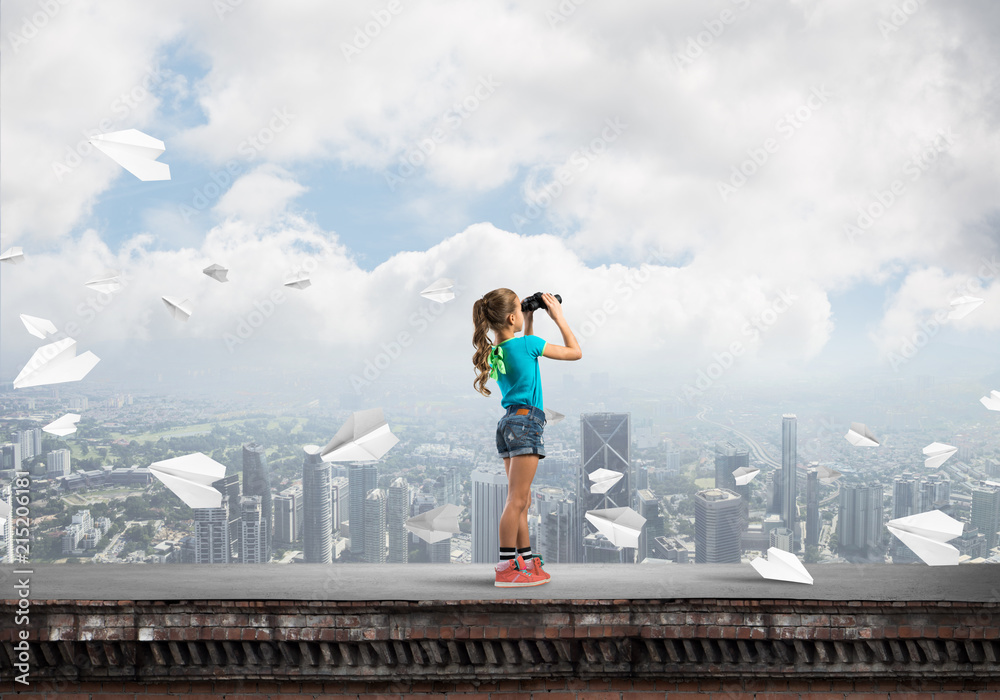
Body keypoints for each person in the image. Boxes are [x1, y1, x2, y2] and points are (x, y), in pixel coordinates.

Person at [472, 289, 582, 587]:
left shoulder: (496, 352)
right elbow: (575, 352)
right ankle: (507, 567)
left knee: (523, 500)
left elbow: (525, 357)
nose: (522, 313)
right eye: (519, 310)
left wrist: (529, 317)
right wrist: (558, 316)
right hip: (526, 423)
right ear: (511, 317)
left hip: (509, 423)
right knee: (516, 500)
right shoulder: (529, 344)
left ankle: (525, 561)